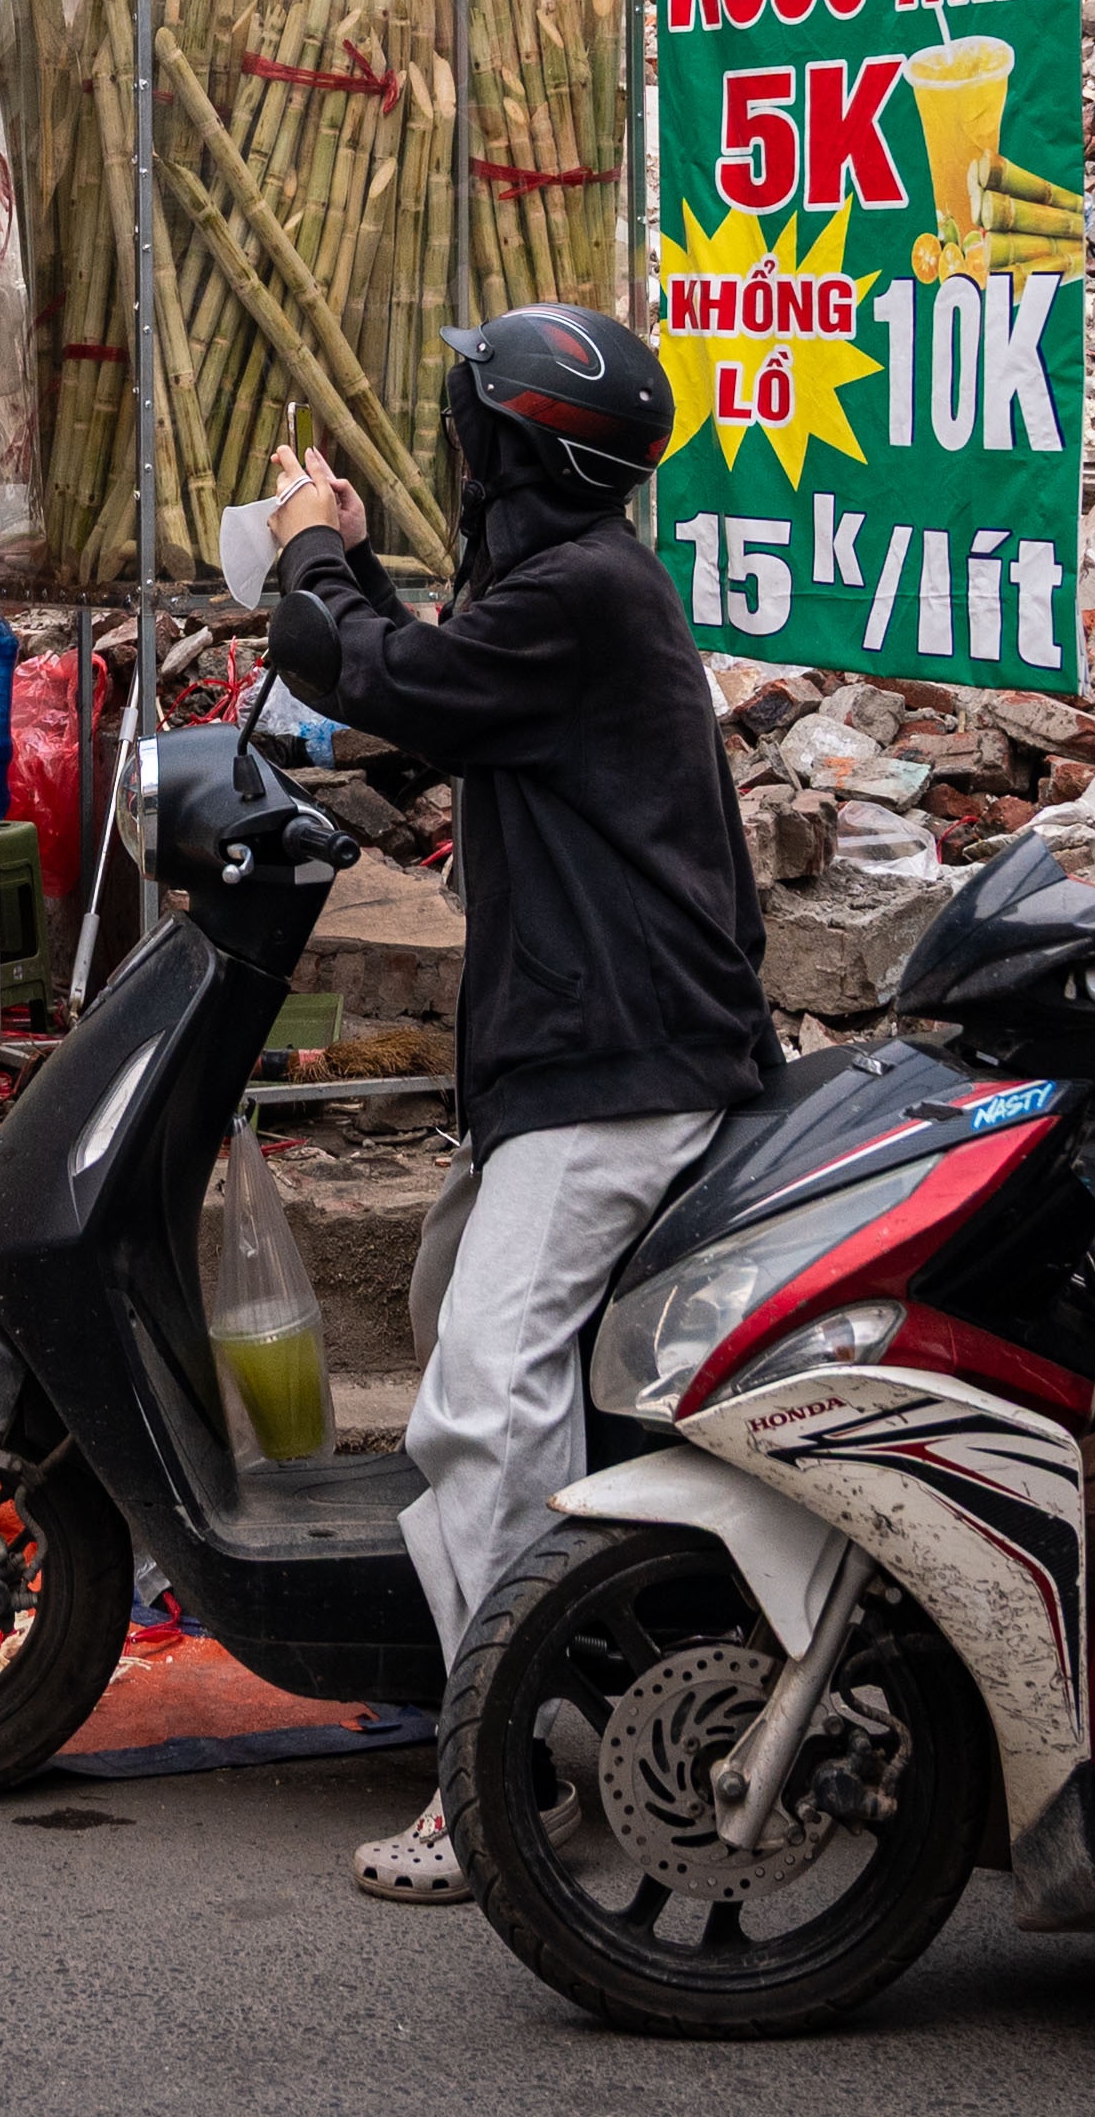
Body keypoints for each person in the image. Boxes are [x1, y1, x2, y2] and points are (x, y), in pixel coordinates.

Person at [253, 303, 772, 1907]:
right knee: (449, 1326)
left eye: (471, 427)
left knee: (481, 1406)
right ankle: (577, 1679)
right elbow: (431, 687)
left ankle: (512, 1775)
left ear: (511, 453)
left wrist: (308, 548)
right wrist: (354, 585)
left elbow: (370, 667)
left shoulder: (579, 594)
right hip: (591, 1046)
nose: (454, 448)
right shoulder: (574, 586)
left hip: (614, 1061)